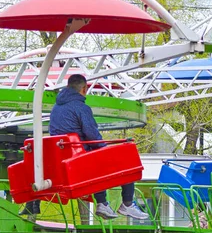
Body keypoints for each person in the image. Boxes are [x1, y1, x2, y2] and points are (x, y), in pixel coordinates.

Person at [48, 74, 148, 220]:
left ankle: (102, 203)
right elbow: (93, 136)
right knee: (126, 157)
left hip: (65, 157)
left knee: (98, 156)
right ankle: (127, 204)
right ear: (84, 88)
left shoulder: (56, 109)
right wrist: (104, 147)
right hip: (80, 158)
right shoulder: (81, 108)